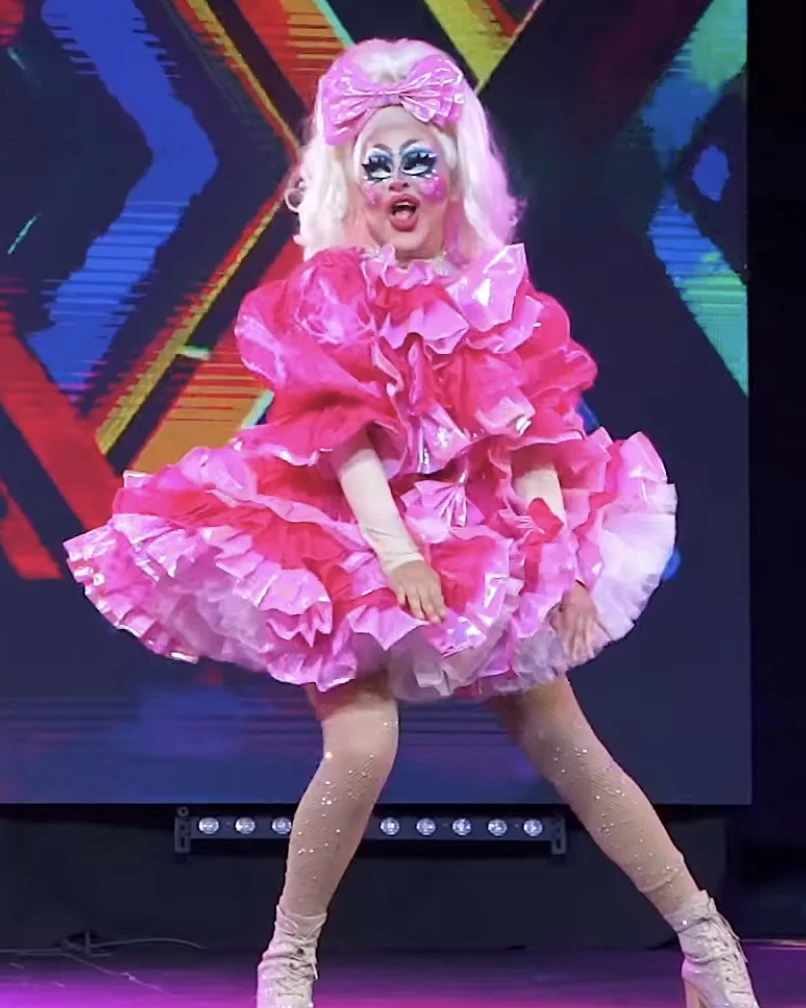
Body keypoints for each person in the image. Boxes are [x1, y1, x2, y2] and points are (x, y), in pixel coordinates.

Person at [65, 38, 759, 1008]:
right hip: (345, 535)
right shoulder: (328, 294)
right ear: (350, 178)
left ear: (453, 170)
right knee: (361, 748)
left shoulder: (494, 294)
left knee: (567, 742)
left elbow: (532, 437)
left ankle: (706, 942)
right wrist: (395, 555)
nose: (397, 180)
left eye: (417, 158)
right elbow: (341, 437)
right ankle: (288, 960)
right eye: (376, 162)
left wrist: (555, 561)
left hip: (478, 536)